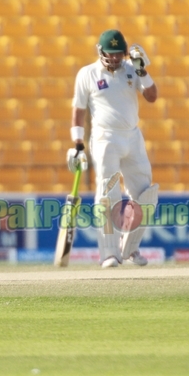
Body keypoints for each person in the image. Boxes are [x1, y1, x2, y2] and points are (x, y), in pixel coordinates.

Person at [67, 29, 159, 268]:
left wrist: (142, 70)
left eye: (119, 54)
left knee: (146, 195)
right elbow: (78, 109)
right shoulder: (87, 73)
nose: (115, 58)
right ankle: (109, 253)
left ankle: (130, 248)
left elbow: (152, 96)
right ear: (101, 51)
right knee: (108, 195)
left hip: (132, 136)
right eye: (111, 53)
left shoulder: (132, 68)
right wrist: (78, 144)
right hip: (105, 139)